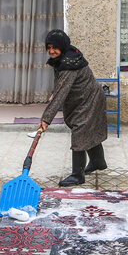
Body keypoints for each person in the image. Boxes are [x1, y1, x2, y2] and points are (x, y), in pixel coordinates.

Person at [38, 29, 108, 186]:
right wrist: (54, 92)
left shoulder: (69, 64)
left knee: (80, 130)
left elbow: (62, 92)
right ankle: (98, 162)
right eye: (48, 48)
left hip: (90, 99)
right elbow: (61, 85)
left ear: (62, 46)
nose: (51, 51)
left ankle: (78, 175)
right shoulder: (66, 57)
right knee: (86, 130)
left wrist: (46, 119)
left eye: (54, 47)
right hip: (84, 98)